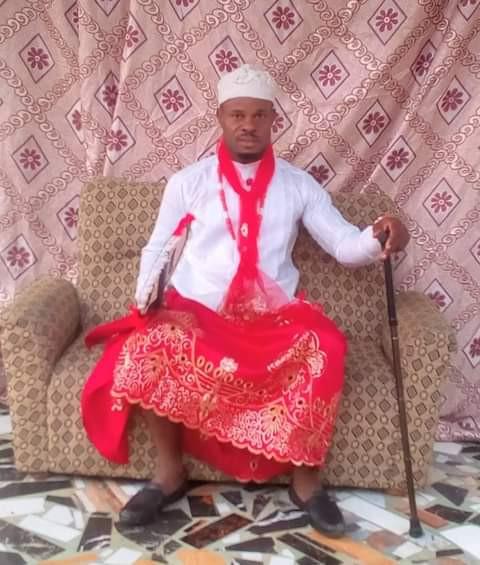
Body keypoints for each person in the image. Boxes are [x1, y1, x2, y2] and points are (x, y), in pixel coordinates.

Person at [81, 64, 409, 538]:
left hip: (271, 317)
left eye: (258, 115)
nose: (248, 125)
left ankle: (306, 484)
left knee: (327, 347)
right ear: (221, 117)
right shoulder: (188, 182)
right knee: (148, 345)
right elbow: (157, 247)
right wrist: (146, 292)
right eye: (237, 115)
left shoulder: (298, 184)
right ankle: (169, 473)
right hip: (198, 312)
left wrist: (380, 236)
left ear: (274, 119)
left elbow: (343, 245)